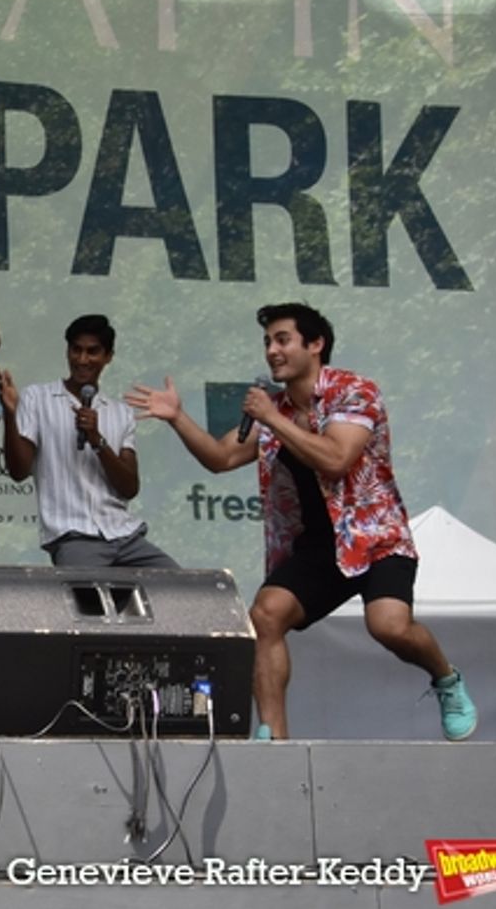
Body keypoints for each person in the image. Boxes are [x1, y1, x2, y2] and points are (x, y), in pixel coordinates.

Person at [125, 302, 476, 741]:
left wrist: (272, 418)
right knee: (266, 615)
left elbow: (337, 459)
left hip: (374, 539)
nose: (272, 350)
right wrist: (178, 418)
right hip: (318, 547)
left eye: (282, 339)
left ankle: (446, 678)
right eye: (267, 342)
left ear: (315, 345)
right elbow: (222, 457)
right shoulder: (275, 409)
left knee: (389, 627)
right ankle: (274, 736)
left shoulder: (354, 391)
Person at [0, 314, 177, 569]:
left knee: (178, 591)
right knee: (86, 605)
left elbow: (129, 487)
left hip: (125, 535)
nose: (82, 360)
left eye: (92, 352)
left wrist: (97, 440)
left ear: (108, 356)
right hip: (73, 537)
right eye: (76, 350)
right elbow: (18, 471)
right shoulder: (37, 397)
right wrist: (10, 414)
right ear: (67, 351)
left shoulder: (120, 412)